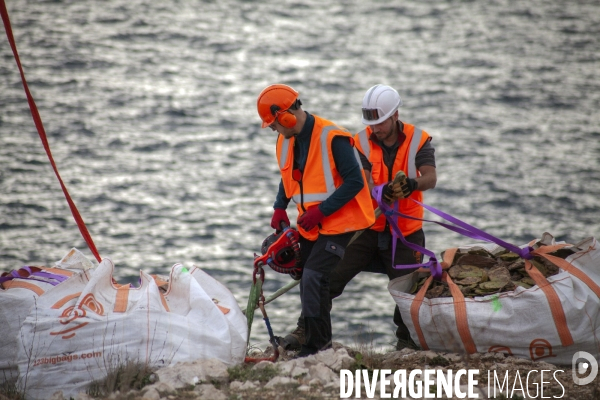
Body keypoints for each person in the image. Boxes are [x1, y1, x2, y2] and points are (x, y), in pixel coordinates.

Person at [281, 84, 437, 351]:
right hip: (366, 229)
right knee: (326, 278)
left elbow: (430, 178)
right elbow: (361, 181)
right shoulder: (359, 141)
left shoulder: (418, 140)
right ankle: (307, 330)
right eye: (372, 123)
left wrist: (411, 184)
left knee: (408, 293)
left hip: (405, 234)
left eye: (380, 123)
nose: (375, 129)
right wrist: (381, 191)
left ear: (395, 115)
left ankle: (407, 342)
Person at [256, 84, 376, 357]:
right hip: (312, 225)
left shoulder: (333, 137)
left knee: (314, 276)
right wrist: (279, 206)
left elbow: (356, 182)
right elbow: (288, 176)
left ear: (286, 116)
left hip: (341, 221)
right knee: (306, 275)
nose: (274, 130)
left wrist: (321, 211)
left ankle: (316, 348)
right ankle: (319, 342)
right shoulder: (286, 140)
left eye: (274, 124)